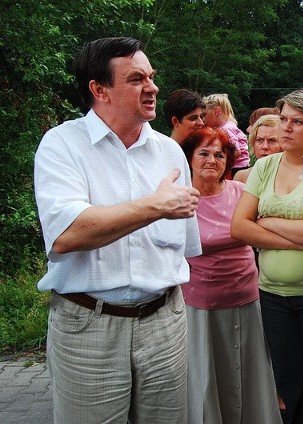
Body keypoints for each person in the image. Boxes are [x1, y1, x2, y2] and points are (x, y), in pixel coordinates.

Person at [33, 37, 202, 424]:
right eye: (137, 79)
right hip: (89, 326)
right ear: (99, 89)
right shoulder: (62, 145)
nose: (153, 87)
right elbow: (67, 234)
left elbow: (185, 248)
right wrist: (155, 205)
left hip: (165, 320)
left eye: (152, 77)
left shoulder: (170, 152)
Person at [230, 89, 303, 424]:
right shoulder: (265, 165)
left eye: (298, 121)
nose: (286, 127)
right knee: (288, 382)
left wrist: (267, 222)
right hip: (272, 296)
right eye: (284, 119)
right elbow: (238, 227)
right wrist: (298, 240)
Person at [180, 127, 281, 424]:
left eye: (219, 155)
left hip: (247, 297)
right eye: (204, 153)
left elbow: (264, 227)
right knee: (208, 373)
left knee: (250, 372)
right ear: (189, 158)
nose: (212, 160)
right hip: (201, 304)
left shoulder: (240, 192)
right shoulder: (181, 199)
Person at [204, 93, 250, 176]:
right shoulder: (229, 126)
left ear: (216, 111)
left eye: (205, 115)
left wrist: (221, 159)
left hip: (237, 168)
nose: (203, 119)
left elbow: (237, 152)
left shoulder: (226, 129)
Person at [234, 114, 282, 184]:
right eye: (260, 140)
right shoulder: (241, 177)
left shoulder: (294, 176)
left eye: (272, 141)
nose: (264, 146)